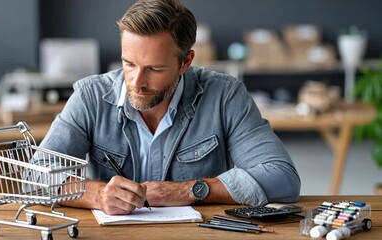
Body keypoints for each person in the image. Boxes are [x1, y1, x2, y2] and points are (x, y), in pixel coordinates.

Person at [38, 0, 300, 215]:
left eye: (154, 68)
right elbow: (37, 177)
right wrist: (97, 194)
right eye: (128, 63)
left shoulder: (225, 96)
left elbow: (282, 178)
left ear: (185, 62)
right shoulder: (90, 97)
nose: (136, 82)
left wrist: (187, 191)